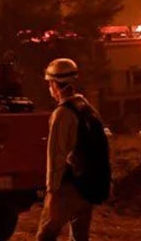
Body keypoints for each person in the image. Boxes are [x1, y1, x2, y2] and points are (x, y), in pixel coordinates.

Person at [36, 57, 109, 241]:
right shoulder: (86, 108)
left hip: (69, 188)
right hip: (89, 186)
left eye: (50, 83)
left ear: (55, 84)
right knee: (79, 237)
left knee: (45, 236)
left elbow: (56, 155)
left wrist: (52, 191)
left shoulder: (62, 114)